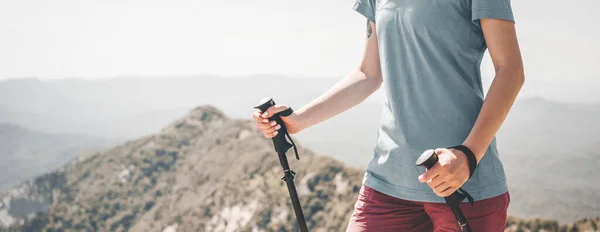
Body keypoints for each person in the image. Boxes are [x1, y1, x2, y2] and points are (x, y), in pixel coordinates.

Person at [252, 0, 524, 230]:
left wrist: (468, 155)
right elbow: (368, 73)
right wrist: (298, 120)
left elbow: (510, 70)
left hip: (463, 184)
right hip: (387, 182)